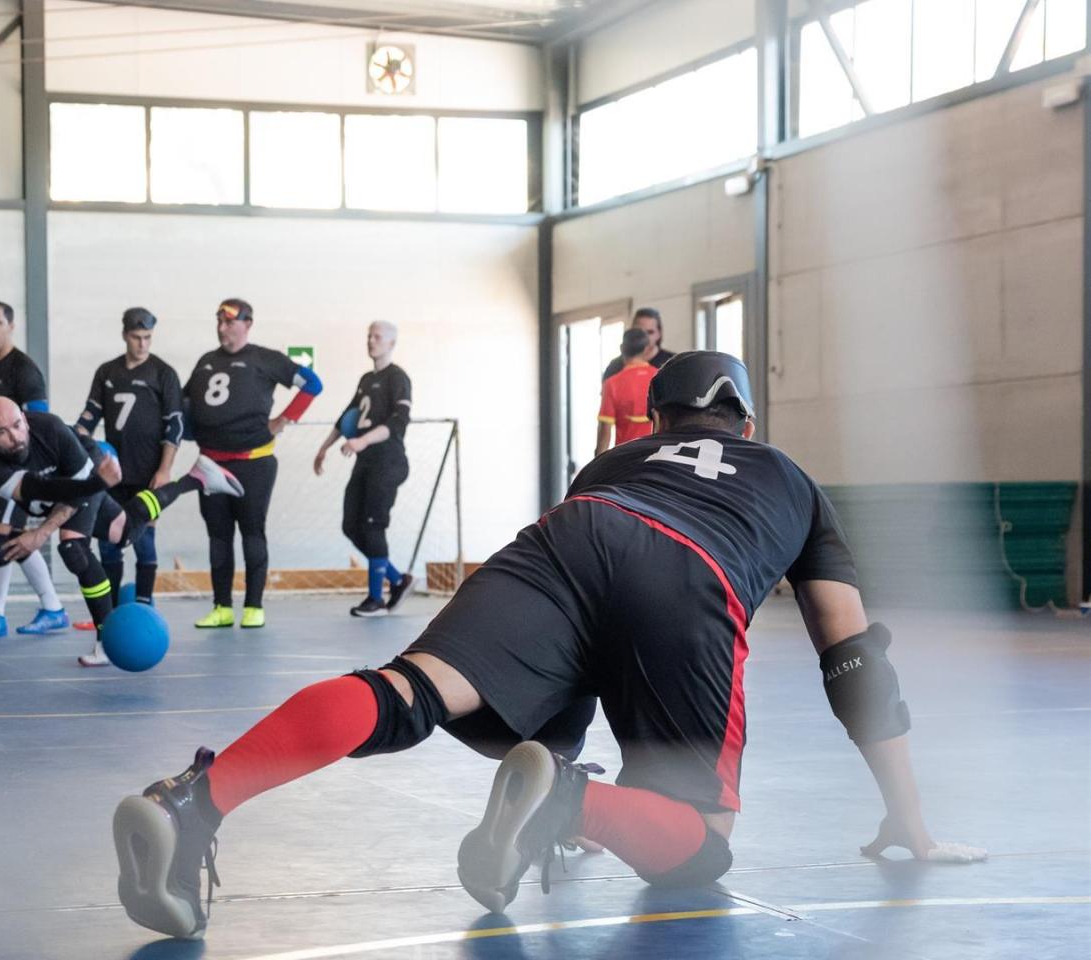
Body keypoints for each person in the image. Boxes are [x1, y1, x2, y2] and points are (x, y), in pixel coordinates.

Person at [109, 352, 986, 941]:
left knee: (405, 689)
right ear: (745, 419)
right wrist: (908, 817)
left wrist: (545, 745)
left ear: (656, 419)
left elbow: (577, 642)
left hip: (568, 534)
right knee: (702, 846)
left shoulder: (612, 466)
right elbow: (851, 656)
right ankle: (567, 805)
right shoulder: (789, 479)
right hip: (689, 575)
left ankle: (197, 797)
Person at [0, 398, 243, 666]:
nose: (15, 436)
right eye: (2, 432)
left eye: (17, 425)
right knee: (124, 532)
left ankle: (105, 644)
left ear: (25, 421)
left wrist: (42, 532)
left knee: (73, 547)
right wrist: (46, 526)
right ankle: (196, 478)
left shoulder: (51, 429)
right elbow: (43, 490)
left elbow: (83, 487)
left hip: (91, 467)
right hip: (76, 486)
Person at [183, 298, 323, 629]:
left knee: (251, 531)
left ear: (247, 323)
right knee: (218, 537)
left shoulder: (265, 359)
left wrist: (284, 420)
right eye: (219, 322)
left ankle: (254, 606)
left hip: (253, 462)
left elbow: (312, 385)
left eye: (230, 322)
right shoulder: (206, 361)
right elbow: (185, 403)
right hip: (211, 463)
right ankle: (221, 607)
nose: (222, 328)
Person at [0, 300, 66, 639]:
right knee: (11, 538)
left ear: (11, 326)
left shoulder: (24, 370)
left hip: (20, 469)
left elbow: (38, 422)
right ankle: (53, 607)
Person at [75, 307, 185, 607]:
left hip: (148, 474)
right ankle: (110, 610)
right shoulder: (107, 372)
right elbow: (88, 417)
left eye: (148, 338)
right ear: (125, 335)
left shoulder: (164, 374)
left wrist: (165, 469)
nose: (142, 345)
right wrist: (76, 441)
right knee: (109, 544)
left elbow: (175, 425)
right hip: (112, 474)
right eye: (136, 337)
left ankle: (144, 606)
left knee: (145, 542)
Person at [314, 321, 413, 617]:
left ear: (392, 343)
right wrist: (324, 447)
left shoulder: (398, 378)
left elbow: (398, 423)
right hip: (365, 462)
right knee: (351, 525)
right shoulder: (366, 379)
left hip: (388, 461)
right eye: (369, 336)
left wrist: (362, 441)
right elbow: (347, 415)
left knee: (372, 526)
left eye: (377, 337)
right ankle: (397, 579)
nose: (371, 341)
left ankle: (376, 600)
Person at [595, 327, 658, 455]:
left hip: (625, 459)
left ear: (622, 348)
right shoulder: (660, 377)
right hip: (656, 457)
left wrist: (595, 467)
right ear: (646, 349)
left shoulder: (612, 384)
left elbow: (604, 435)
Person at [601, 307, 674, 381]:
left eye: (650, 332)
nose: (645, 337)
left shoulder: (673, 363)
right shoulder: (615, 367)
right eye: (640, 332)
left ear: (659, 334)